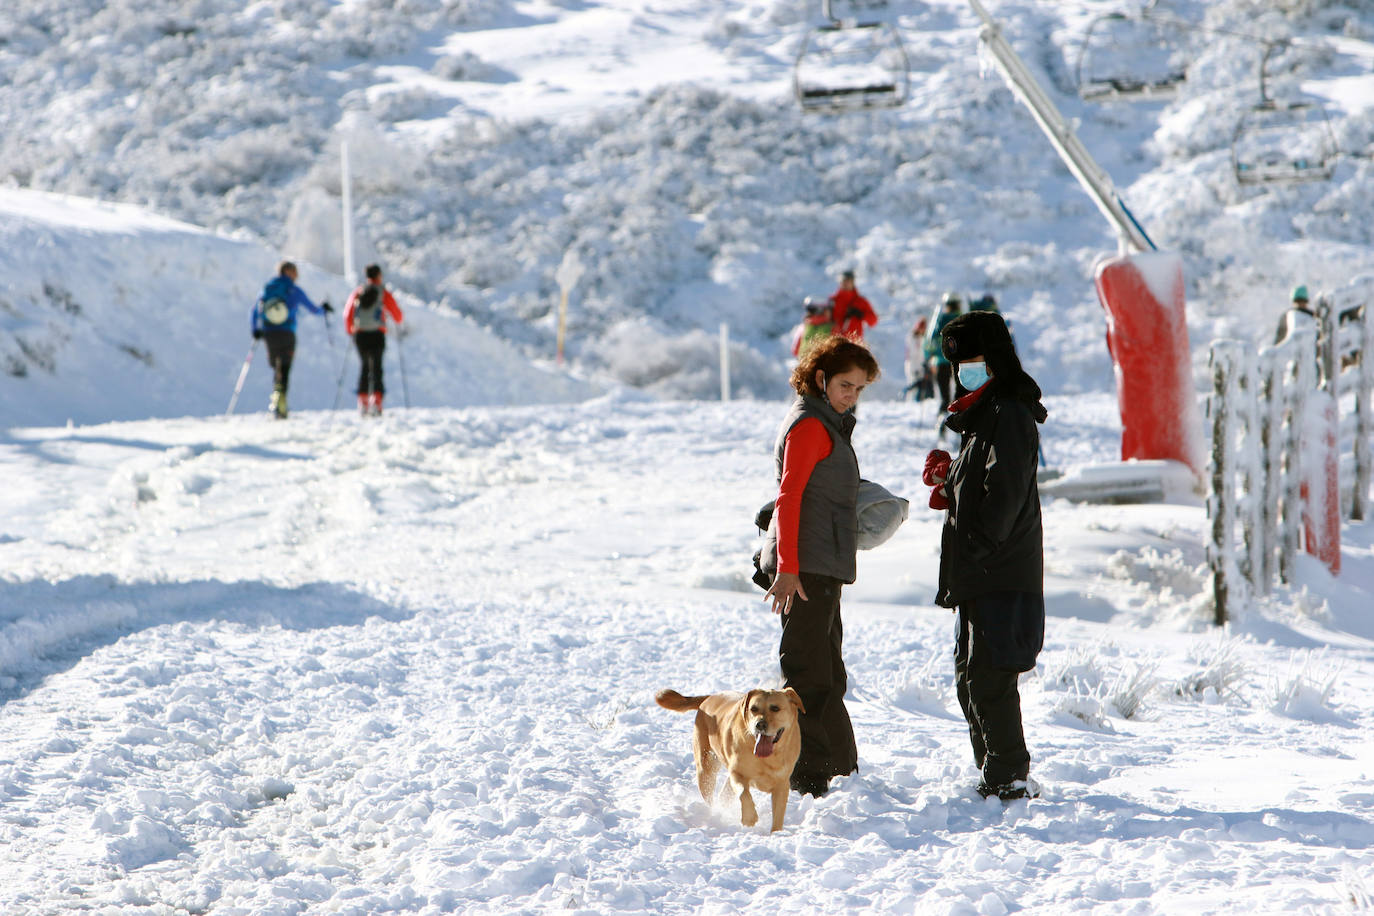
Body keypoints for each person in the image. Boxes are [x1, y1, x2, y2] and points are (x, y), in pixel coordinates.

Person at [924, 310, 1047, 802]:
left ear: (994, 358)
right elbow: (981, 482)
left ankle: (1008, 780)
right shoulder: (982, 415)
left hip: (1000, 570)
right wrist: (950, 476)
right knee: (971, 677)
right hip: (980, 571)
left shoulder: (1009, 413)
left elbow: (1006, 491)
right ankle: (993, 774)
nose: (963, 371)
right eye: (959, 363)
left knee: (990, 678)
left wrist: (976, 544)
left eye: (973, 360)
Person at [759, 335, 880, 798]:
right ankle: (810, 779)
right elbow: (788, 499)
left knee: (829, 672)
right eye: (846, 385)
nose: (852, 396)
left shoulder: (829, 424)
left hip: (821, 564)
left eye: (860, 389)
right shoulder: (811, 426)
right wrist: (788, 568)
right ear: (820, 378)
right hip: (805, 568)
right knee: (809, 676)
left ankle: (840, 772)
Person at [251, 260, 332, 419]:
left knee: (276, 368)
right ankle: (281, 404)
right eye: (295, 273)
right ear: (290, 272)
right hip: (287, 333)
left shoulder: (267, 289)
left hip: (269, 333)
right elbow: (313, 309)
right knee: (285, 368)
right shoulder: (293, 290)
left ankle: (276, 399)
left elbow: (254, 311)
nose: (297, 276)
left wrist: (255, 330)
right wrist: (324, 309)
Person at [344, 264, 405, 416]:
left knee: (364, 366)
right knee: (376, 367)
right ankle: (376, 403)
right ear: (379, 275)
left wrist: (351, 329)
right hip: (377, 333)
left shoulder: (358, 292)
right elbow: (397, 315)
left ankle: (363, 403)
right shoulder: (382, 292)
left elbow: (348, 314)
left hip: (360, 334)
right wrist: (397, 320)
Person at [924, 291, 963, 414]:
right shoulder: (962, 319)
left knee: (944, 397)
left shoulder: (939, 320)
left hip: (941, 362)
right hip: (958, 363)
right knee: (960, 395)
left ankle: (942, 423)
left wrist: (929, 359)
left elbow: (929, 342)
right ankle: (960, 423)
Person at [829, 270, 878, 340]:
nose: (845, 283)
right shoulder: (833, 300)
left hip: (855, 343)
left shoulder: (861, 301)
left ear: (853, 282)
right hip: (835, 342)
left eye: (848, 281)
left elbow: (874, 321)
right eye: (843, 281)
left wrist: (861, 314)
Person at [903, 316, 933, 400]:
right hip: (913, 364)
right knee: (913, 383)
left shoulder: (924, 338)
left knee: (922, 384)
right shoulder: (912, 337)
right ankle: (910, 400)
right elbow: (913, 353)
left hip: (921, 364)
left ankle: (919, 399)